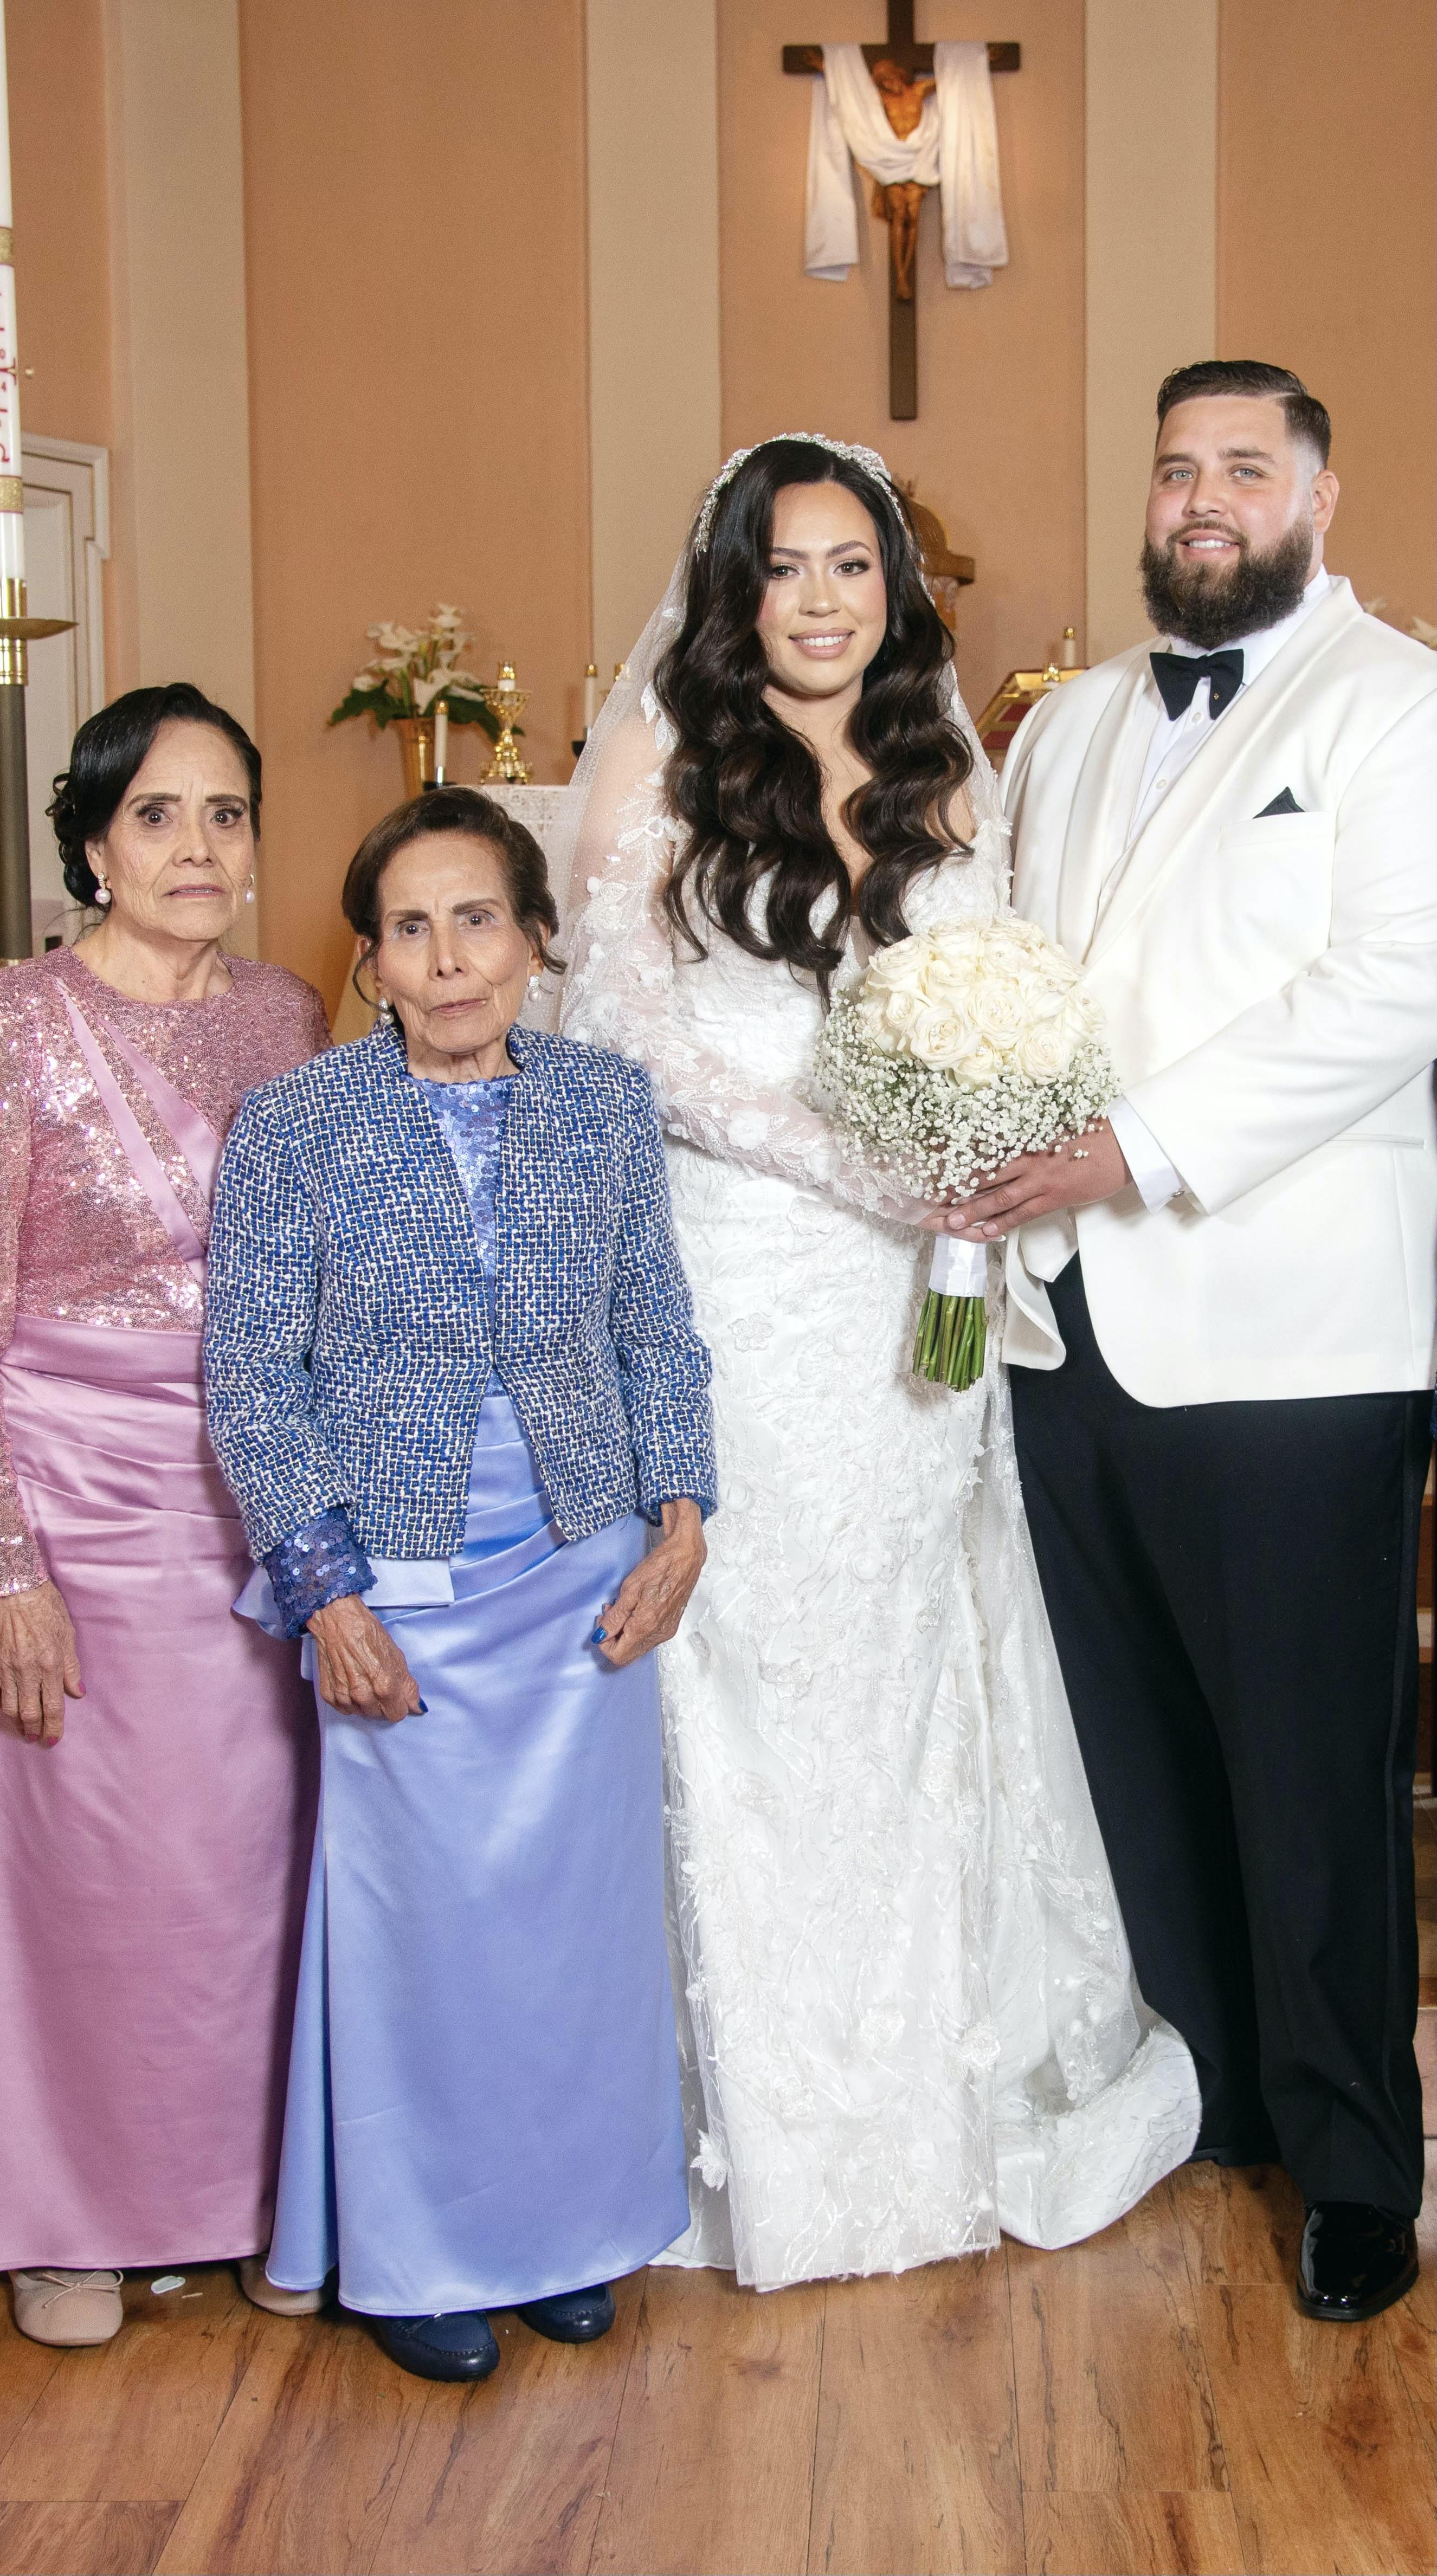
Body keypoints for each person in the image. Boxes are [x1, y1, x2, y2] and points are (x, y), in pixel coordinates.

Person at [557, 435, 1201, 2292]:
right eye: (785, 568)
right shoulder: (661, 765)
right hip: (748, 1283)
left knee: (921, 1645)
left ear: (895, 589)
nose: (821, 600)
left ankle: (934, 2092)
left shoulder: (946, 775)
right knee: (750, 1656)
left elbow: (1009, 1008)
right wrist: (863, 1164)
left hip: (918, 1299)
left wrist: (973, 1153)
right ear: (733, 591)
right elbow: (627, 1035)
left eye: (852, 564)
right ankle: (753, 2118)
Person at [940, 360, 1437, 2324]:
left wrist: (1123, 1147)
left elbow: (1393, 987)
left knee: (1310, 1766)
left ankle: (1356, 2163)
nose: (1202, 499)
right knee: (1127, 1746)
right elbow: (1006, 970)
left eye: (1243, 467)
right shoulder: (1066, 724)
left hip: (1290, 1332)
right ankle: (1212, 2092)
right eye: (1174, 470)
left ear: (1317, 496)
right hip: (1067, 1327)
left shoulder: (1396, 702)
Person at [203, 786, 714, 2384]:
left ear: (534, 938)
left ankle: (560, 2228)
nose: (446, 959)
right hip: (394, 1582)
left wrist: (682, 1519)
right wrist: (326, 1592)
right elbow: (250, 1378)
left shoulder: (605, 1105)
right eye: (409, 930)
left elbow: (655, 1327)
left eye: (477, 919)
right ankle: (419, 2253)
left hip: (582, 1575)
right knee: (419, 1931)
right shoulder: (295, 1124)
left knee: (569, 1928)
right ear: (369, 965)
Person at [0, 683, 326, 2346]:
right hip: (65, 1507)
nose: (196, 845)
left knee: (244, 1872)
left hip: (249, 1502)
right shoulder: (5, 1022)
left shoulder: (290, 1016)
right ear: (90, 844)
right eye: (156, 813)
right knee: (76, 1873)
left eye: (225, 812)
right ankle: (60, 2214)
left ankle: (254, 2194)